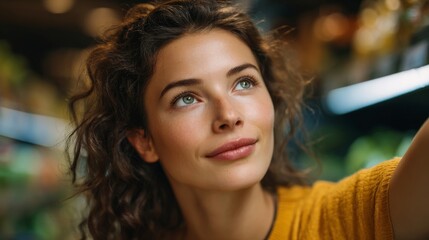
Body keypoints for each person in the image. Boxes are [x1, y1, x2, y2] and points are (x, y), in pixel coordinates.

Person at [66, 0, 429, 239]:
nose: (228, 116)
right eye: (187, 98)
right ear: (144, 141)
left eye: (243, 82)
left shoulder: (346, 218)